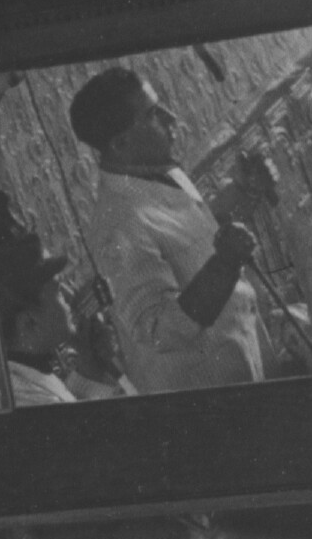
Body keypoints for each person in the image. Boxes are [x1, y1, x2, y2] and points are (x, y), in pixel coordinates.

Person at [68, 66, 275, 393]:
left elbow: (193, 242)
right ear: (121, 143)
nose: (171, 117)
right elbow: (158, 330)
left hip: (241, 363)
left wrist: (243, 192)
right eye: (152, 114)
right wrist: (225, 265)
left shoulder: (155, 171)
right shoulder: (117, 224)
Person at [0, 192, 118, 410]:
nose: (70, 297)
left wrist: (89, 362)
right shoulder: (14, 401)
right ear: (29, 322)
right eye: (58, 291)